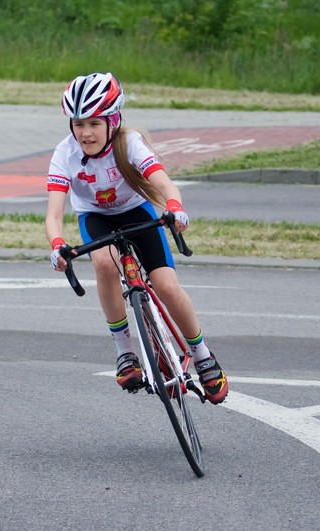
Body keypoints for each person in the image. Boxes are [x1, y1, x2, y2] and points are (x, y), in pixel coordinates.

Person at [44, 72, 228, 404]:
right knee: (103, 261)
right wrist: (57, 244)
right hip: (95, 217)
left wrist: (175, 207)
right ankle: (125, 352)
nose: (85, 132)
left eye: (94, 124)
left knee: (168, 287)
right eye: (78, 123)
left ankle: (202, 355)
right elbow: (54, 214)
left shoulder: (128, 143)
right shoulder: (64, 153)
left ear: (113, 121)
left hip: (136, 211)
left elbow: (165, 184)